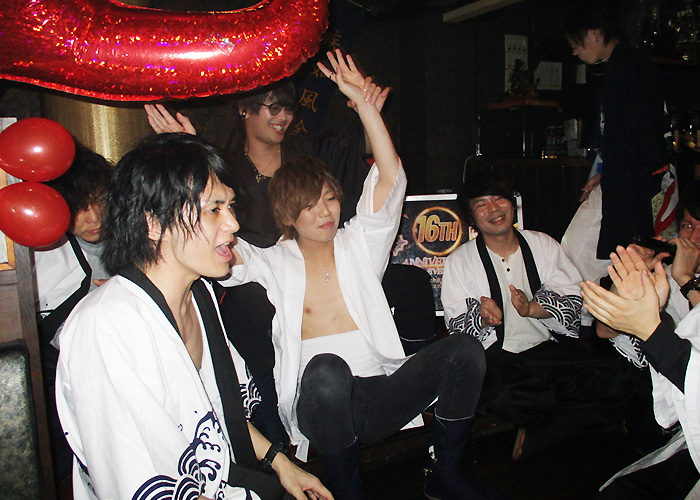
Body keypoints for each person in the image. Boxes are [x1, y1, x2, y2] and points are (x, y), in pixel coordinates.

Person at [223, 50, 492, 500]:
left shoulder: (358, 245)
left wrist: (366, 108)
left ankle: (445, 473)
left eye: (329, 199)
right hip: (319, 404)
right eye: (310, 205)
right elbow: (220, 250)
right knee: (327, 370)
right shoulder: (272, 261)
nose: (325, 212)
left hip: (380, 393)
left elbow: (389, 176)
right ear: (288, 214)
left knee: (464, 350)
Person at [145, 63, 436, 445]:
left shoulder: (309, 154)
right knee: (250, 304)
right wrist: (188, 154)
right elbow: (215, 231)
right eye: (273, 107)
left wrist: (367, 110)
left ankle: (415, 379)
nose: (282, 117)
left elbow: (385, 174)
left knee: (410, 281)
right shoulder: (226, 170)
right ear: (245, 110)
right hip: (261, 274)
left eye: (288, 108)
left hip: (333, 260)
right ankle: (269, 417)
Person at [55, 133, 332, 500]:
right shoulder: (105, 327)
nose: (233, 224)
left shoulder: (199, 295)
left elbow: (215, 411)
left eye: (230, 206)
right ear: (153, 223)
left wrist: (282, 464)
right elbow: (139, 482)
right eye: (214, 209)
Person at [441, 172, 631, 461]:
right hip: (498, 357)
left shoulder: (543, 244)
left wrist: (532, 308)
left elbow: (572, 299)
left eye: (499, 199)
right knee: (503, 396)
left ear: (512, 204)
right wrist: (482, 316)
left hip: (545, 350)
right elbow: (456, 327)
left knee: (618, 377)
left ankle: (540, 433)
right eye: (481, 204)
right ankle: (570, 420)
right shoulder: (460, 261)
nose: (493, 209)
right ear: (471, 219)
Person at [560, 0, 668, 285]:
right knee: (591, 250)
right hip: (626, 177)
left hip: (633, 181)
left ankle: (594, 306)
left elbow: (637, 136)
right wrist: (606, 173)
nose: (575, 51)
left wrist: (614, 174)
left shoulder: (628, 69)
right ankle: (596, 305)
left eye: (576, 43)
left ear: (595, 33)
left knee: (595, 251)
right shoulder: (628, 65)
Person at [582, 245, 700, 499]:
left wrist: (688, 283)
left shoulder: (682, 277)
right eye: (688, 227)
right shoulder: (665, 274)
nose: (694, 239)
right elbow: (605, 331)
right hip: (667, 404)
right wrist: (635, 285)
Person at [33, 145, 113, 480]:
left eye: (98, 201)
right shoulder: (47, 253)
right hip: (67, 380)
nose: (93, 217)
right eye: (78, 207)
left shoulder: (133, 238)